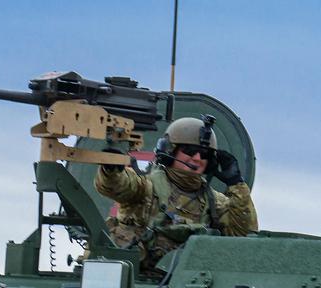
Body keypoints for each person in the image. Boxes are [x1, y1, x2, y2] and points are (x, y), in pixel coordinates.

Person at [94, 116, 258, 277]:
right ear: (170, 150)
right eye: (190, 151)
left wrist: (237, 184)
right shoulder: (146, 187)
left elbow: (243, 235)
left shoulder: (214, 201)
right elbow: (119, 185)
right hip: (131, 280)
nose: (197, 158)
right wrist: (111, 170)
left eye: (205, 155)